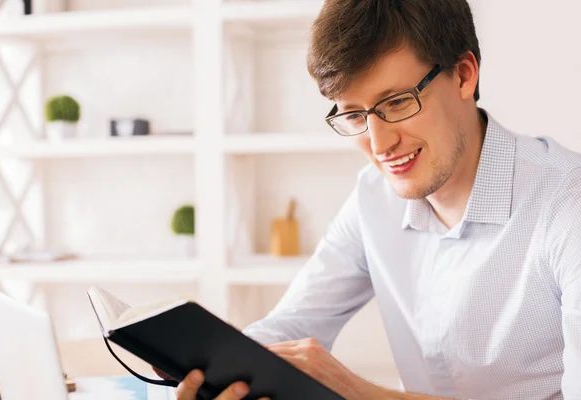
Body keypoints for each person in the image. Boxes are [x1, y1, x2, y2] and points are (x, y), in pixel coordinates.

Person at [172, 0, 581, 398]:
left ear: (463, 75)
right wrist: (215, 368)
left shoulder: (567, 204)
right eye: (353, 115)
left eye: (398, 102)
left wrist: (359, 395)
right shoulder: (373, 196)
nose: (379, 143)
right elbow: (293, 323)